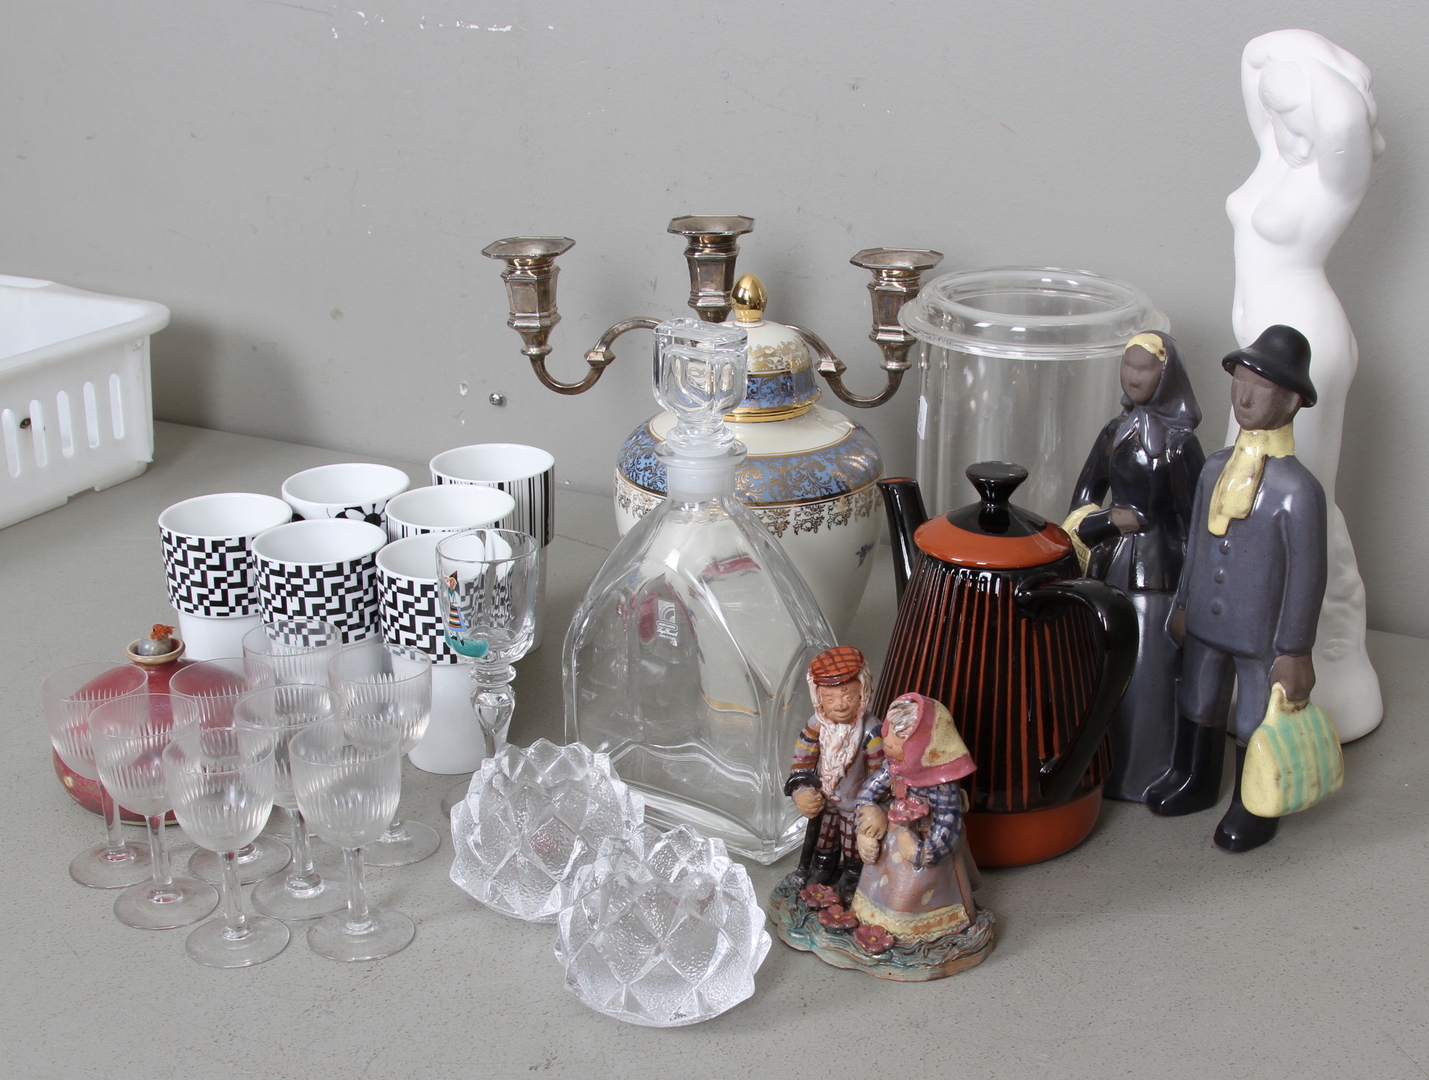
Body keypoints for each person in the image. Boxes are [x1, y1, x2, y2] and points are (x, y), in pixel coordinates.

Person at [1225, 30, 1384, 740]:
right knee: (1247, 493)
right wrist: (1277, 63)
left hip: (1305, 347)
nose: (1278, 117)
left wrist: (1313, 77)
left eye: (1291, 105)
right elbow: (1253, 54)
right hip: (1255, 356)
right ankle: (1251, 645)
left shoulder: (1334, 175)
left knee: (1297, 498)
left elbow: (1343, 120)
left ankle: (1329, 650)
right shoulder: (1275, 155)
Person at [1148, 324, 1327, 852]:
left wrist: (1295, 649)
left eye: (1261, 387)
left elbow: (1307, 575)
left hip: (1260, 637)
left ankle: (1254, 806)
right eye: (1240, 381)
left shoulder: (1299, 491)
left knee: (1254, 716)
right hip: (1206, 623)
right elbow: (1197, 545)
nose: (1244, 396)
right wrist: (1183, 602)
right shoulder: (1213, 469)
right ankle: (1194, 778)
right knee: (1198, 697)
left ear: (1291, 401)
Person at [1064, 331, 1205, 802]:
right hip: (1110, 567)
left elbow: (1196, 526)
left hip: (1158, 576)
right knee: (1099, 667)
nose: (1133, 376)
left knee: (1149, 675)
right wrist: (1105, 522)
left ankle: (1146, 772)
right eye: (1128, 365)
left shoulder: (1181, 446)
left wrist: (1189, 595)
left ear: (1166, 374)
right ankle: (1093, 767)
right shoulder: (1114, 432)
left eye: (1144, 367)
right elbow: (1084, 498)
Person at [852, 693, 979, 943]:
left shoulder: (942, 786)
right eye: (888, 732)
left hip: (925, 845)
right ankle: (876, 920)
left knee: (912, 887)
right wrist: (866, 822)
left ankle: (915, 929)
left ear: (923, 743)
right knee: (879, 878)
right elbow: (868, 792)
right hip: (894, 836)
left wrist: (922, 852)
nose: (887, 741)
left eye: (898, 737)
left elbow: (947, 826)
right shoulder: (893, 767)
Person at [784, 646, 883, 897]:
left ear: (863, 691)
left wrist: (871, 805)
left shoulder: (871, 730)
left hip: (856, 805)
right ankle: (821, 870)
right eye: (829, 698)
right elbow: (801, 762)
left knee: (854, 844)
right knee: (823, 841)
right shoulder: (815, 727)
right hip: (824, 801)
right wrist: (802, 791)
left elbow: (882, 774)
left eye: (847, 696)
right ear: (818, 698)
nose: (839, 705)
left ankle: (854, 876)